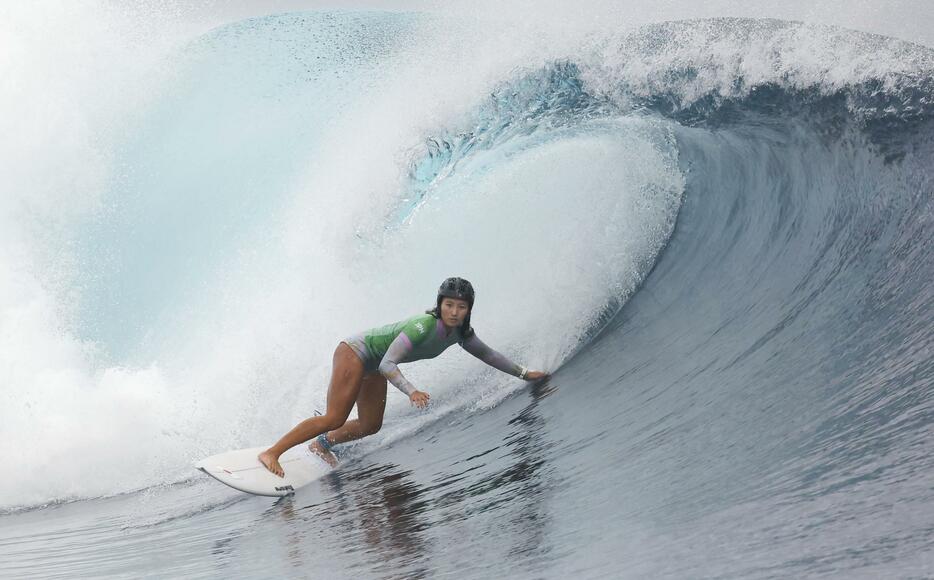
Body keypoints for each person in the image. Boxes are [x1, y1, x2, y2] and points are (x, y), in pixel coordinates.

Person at [258, 277, 549, 476]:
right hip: (355, 353)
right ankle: (273, 452)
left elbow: (489, 355)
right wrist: (411, 391)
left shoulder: (460, 334)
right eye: (449, 305)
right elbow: (387, 363)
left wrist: (525, 374)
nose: (454, 311)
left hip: (372, 365)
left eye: (461, 307)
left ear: (469, 309)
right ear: (440, 304)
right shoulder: (424, 326)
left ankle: (322, 444)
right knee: (335, 416)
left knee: (371, 425)